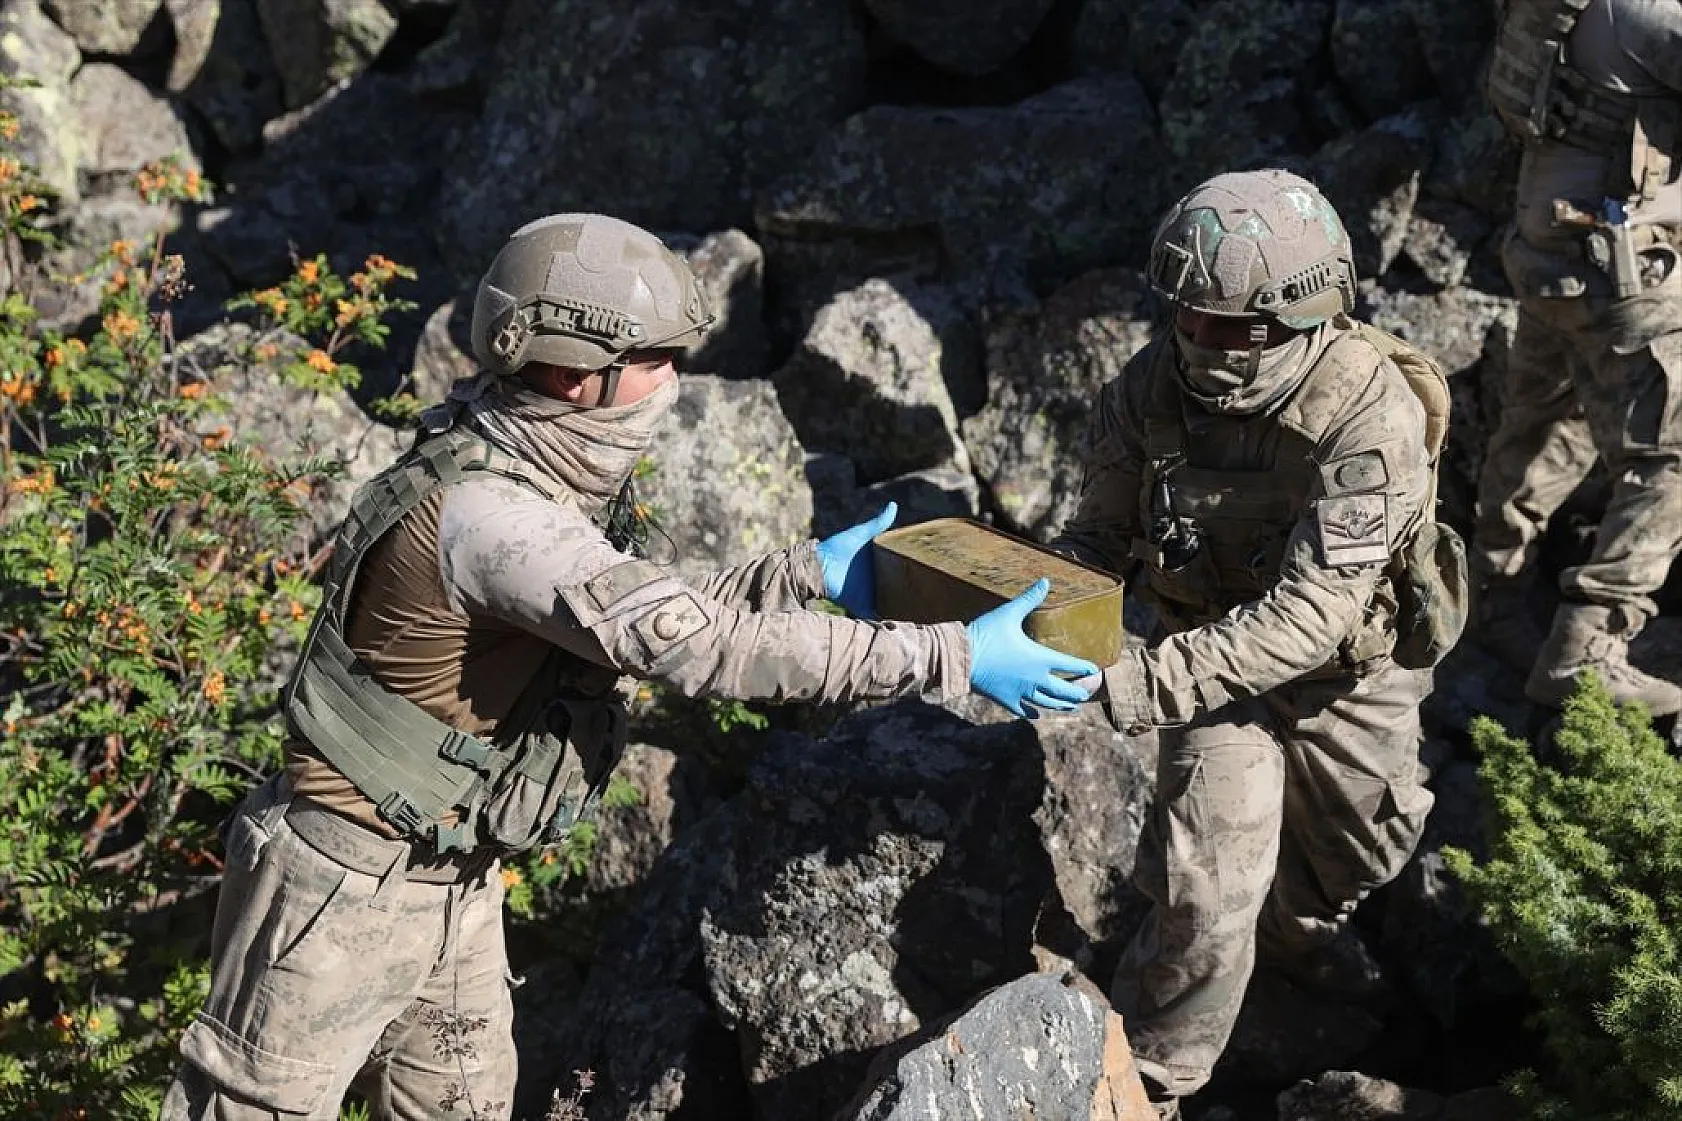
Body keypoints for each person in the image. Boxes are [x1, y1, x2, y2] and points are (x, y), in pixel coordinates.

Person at [160, 213, 1096, 1121]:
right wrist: (949, 654)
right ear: (575, 376)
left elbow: (620, 602)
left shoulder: (512, 463)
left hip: (450, 881)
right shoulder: (496, 519)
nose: (672, 383)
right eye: (653, 360)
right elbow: (690, 642)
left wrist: (797, 575)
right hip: (342, 888)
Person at [1054, 170, 1446, 1119]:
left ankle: (1291, 952)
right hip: (1209, 664)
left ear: (1303, 318)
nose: (1196, 341)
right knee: (1206, 886)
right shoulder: (1145, 391)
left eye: (1228, 327)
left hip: (1349, 678)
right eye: (1184, 317)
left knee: (1361, 859)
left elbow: (1314, 613)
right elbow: (1098, 543)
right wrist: (1031, 616)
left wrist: (1142, 680)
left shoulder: (1369, 414)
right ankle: (1147, 1080)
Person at [1472, 0, 1682, 711]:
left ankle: (1489, 598)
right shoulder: (1651, 16)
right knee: (1669, 457)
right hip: (1619, 271)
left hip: (1548, 255)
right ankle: (1589, 647)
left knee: (1546, 424)